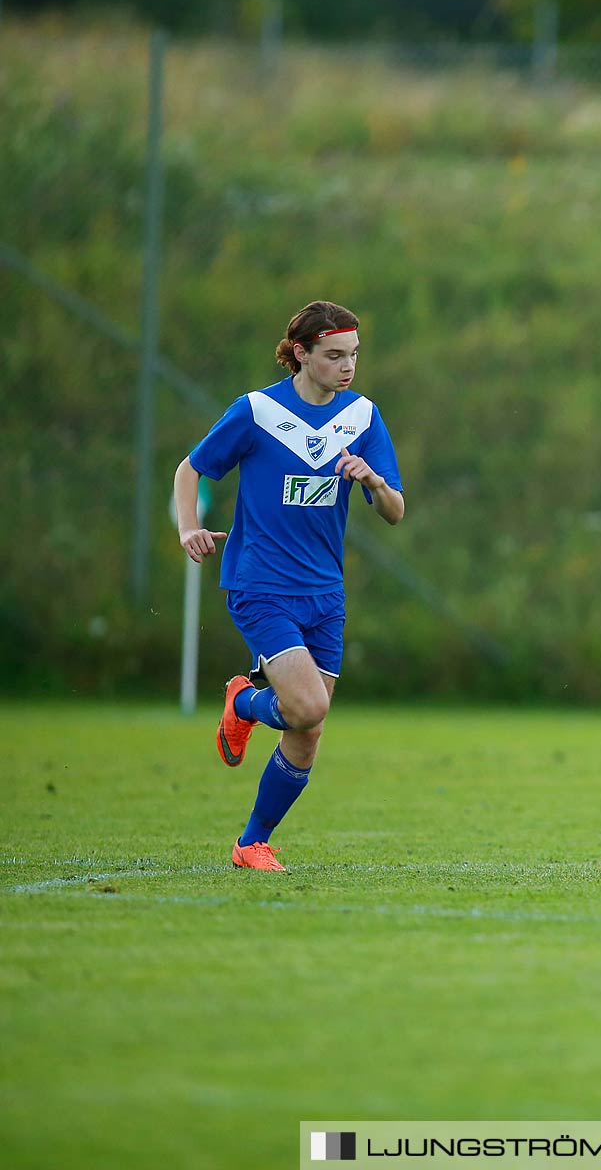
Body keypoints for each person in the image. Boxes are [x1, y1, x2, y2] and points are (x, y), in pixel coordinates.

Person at [171, 300, 405, 872]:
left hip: (326, 593)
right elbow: (191, 468)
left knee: (308, 729)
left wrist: (373, 480)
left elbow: (395, 510)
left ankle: (252, 843)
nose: (347, 367)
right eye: (333, 356)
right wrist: (188, 529)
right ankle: (246, 700)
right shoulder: (256, 411)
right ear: (300, 354)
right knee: (305, 706)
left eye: (352, 355)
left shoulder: (363, 418)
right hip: (261, 585)